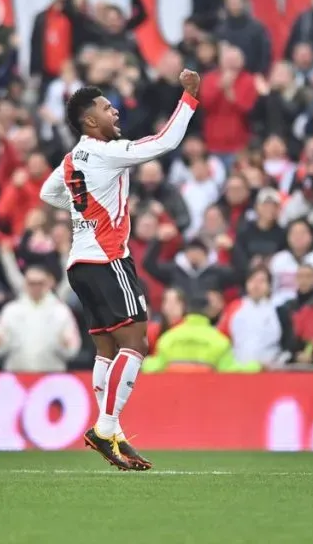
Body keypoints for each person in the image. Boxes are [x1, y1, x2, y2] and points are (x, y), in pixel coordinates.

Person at [38, 68, 201, 471]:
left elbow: (48, 192)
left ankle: (114, 432)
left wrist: (82, 211)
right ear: (90, 121)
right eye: (107, 108)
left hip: (79, 263)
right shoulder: (106, 152)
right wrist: (189, 97)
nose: (115, 112)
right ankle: (105, 427)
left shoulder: (72, 158)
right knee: (136, 344)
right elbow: (165, 141)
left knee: (106, 350)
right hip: (109, 258)